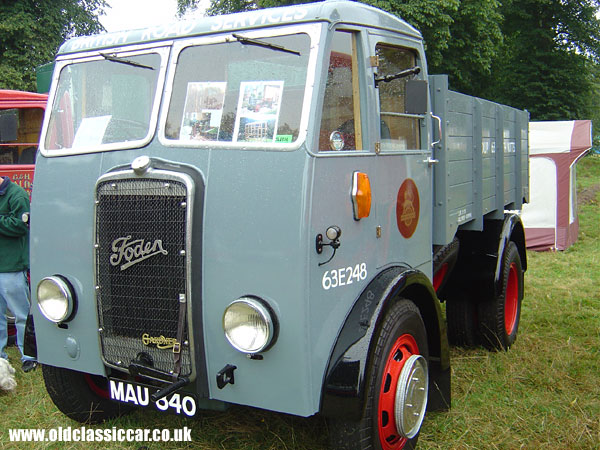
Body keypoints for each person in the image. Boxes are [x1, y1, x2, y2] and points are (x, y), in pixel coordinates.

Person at [0, 175, 37, 372]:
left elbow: (22, 226)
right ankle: (0, 358)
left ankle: (28, 356)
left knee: (21, 314)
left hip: (12, 267)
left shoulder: (17, 195)